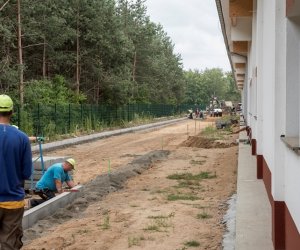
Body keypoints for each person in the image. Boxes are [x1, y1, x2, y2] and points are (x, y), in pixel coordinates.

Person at [0, 94, 32, 249]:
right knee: (9, 242)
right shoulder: (22, 138)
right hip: (12, 202)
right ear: (12, 112)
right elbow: (26, 173)